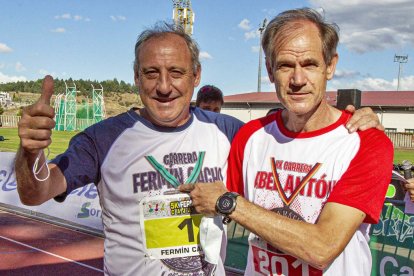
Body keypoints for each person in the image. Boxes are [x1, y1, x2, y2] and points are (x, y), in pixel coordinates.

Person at [15, 20, 383, 276]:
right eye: (150, 73)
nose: (164, 86)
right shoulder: (103, 138)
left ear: (196, 76)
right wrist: (29, 152)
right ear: (135, 77)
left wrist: (358, 121)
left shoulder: (232, 133)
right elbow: (36, 194)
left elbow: (292, 139)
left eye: (176, 72)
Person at [180, 8, 395, 275]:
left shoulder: (366, 143)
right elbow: (208, 200)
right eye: (285, 66)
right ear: (270, 71)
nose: (297, 80)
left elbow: (322, 247)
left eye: (309, 64)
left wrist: (230, 203)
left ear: (330, 66)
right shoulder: (251, 136)